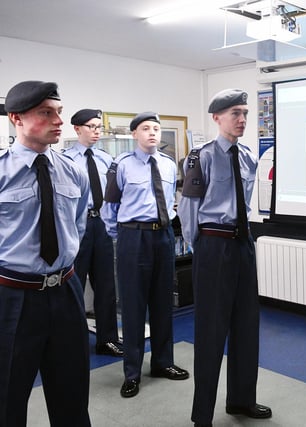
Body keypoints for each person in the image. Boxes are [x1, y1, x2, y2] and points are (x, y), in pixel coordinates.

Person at [178, 89, 272, 427]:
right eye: (235, 113)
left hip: (243, 244)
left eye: (245, 112)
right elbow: (187, 210)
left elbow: (245, 203)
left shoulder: (248, 156)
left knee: (247, 325)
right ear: (217, 117)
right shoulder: (200, 157)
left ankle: (241, 400)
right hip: (213, 246)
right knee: (211, 330)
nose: (243, 119)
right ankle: (202, 413)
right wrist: (200, 248)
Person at [0, 81, 91, 426]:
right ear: (16, 119)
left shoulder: (73, 170)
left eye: (59, 112)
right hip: (12, 297)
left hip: (65, 292)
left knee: (71, 395)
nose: (58, 121)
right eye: (45, 113)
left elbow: (77, 226)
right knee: (8, 396)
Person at [101, 111, 189, 398]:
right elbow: (109, 209)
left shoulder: (166, 165)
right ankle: (132, 372)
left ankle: (163, 362)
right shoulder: (121, 165)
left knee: (163, 302)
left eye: (156, 128)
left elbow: (172, 200)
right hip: (133, 236)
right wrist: (124, 236)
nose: (153, 133)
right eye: (146, 129)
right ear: (135, 134)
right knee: (134, 306)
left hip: (162, 235)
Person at [63, 108, 123, 357]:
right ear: (77, 129)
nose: (96, 131)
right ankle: (71, 342)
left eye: (99, 127)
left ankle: (107, 339)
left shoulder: (105, 159)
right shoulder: (66, 160)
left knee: (107, 285)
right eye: (91, 126)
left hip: (103, 225)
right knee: (74, 285)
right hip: (78, 225)